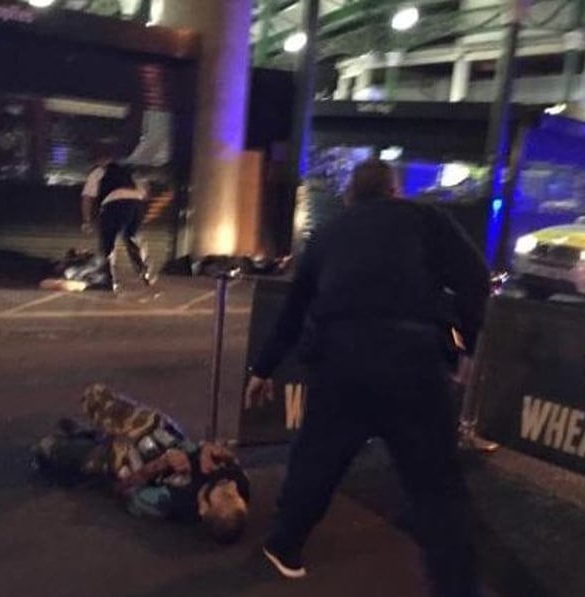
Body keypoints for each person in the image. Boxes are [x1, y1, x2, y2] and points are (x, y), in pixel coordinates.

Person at [244, 158, 490, 596]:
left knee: (317, 459)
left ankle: (286, 545)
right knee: (436, 485)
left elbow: (293, 312)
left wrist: (263, 369)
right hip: (414, 361)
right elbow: (476, 279)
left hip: (342, 361)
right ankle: (457, 585)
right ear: (395, 190)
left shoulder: (329, 234)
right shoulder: (428, 219)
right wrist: (462, 341)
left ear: (350, 195)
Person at [34, 384, 250, 544]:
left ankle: (90, 439)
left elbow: (126, 491)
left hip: (121, 458)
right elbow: (223, 455)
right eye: (235, 493)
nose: (229, 486)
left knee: (47, 448)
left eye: (225, 495)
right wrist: (207, 449)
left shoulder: (173, 501)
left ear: (203, 508)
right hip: (154, 430)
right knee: (94, 395)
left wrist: (161, 463)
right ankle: (93, 434)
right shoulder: (237, 481)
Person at [81, 148, 153, 290]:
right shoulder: (129, 171)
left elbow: (87, 198)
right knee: (133, 237)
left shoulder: (98, 172)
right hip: (136, 203)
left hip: (113, 204)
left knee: (108, 242)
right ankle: (144, 272)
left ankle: (109, 279)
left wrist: (87, 220)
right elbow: (145, 191)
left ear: (100, 160)